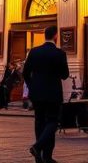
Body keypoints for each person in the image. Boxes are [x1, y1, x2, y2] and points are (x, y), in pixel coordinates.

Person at [23, 25, 70, 163]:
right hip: (53, 94)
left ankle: (41, 157)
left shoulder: (34, 52)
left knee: (39, 122)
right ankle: (41, 150)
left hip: (37, 94)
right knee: (53, 122)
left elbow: (25, 73)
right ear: (56, 36)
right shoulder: (59, 53)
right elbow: (65, 75)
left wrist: (32, 86)